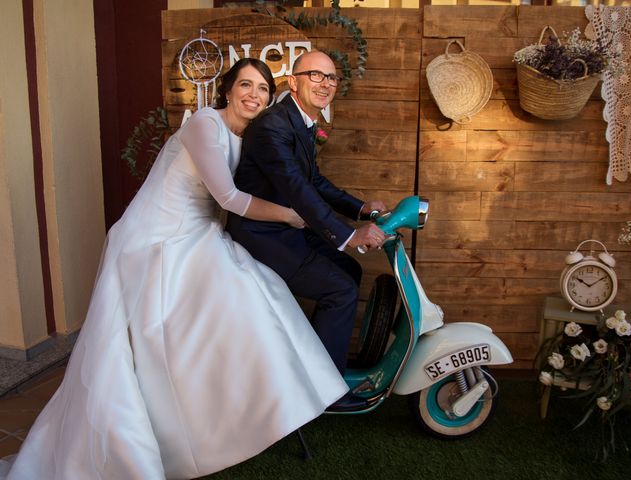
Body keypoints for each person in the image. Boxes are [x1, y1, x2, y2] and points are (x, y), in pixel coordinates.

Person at [0, 58, 349, 480]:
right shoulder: (205, 124)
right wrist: (294, 216)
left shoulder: (249, 135)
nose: (254, 95)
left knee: (260, 290)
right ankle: (185, 424)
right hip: (161, 236)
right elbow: (228, 198)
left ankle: (250, 409)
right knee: (215, 303)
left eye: (262, 88)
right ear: (227, 90)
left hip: (201, 232)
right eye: (245, 85)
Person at [226, 51, 387, 412]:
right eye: (316, 75)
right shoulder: (272, 127)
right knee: (341, 289)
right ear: (293, 82)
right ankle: (323, 391)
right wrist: (349, 236)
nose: (326, 83)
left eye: (331, 77)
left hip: (288, 229)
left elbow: (314, 180)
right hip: (262, 236)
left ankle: (314, 362)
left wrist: (360, 208)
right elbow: (298, 189)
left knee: (350, 270)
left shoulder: (300, 121)